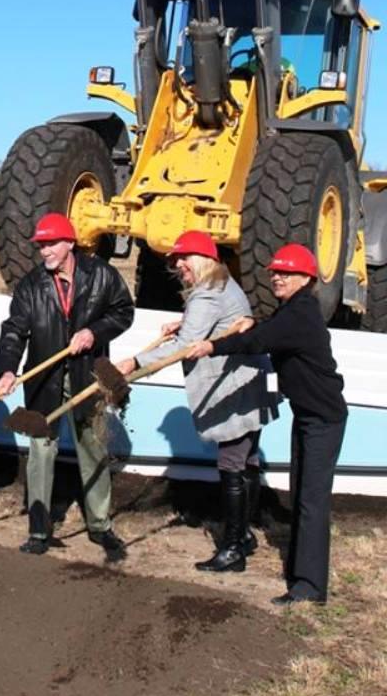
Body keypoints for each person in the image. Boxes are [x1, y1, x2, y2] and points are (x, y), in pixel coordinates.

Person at [186, 243, 347, 605]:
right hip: (309, 415)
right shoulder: (294, 308)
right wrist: (253, 321)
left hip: (323, 420)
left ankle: (308, 588)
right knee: (302, 495)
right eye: (274, 271)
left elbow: (259, 341)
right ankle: (301, 574)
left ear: (305, 278)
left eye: (285, 272)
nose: (276, 276)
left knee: (310, 501)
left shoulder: (301, 312)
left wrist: (213, 346)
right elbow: (270, 328)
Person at [118, 230, 276, 573]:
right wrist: (186, 323)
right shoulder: (223, 284)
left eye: (183, 259)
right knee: (246, 462)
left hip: (233, 390)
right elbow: (207, 326)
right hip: (248, 386)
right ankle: (244, 536)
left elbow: (186, 346)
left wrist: (134, 363)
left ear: (201, 258)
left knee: (232, 466)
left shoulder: (207, 293)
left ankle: (233, 549)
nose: (178, 266)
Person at [0, 213, 134, 561]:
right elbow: (14, 331)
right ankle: (39, 529)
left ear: (70, 242)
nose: (45, 251)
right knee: (41, 452)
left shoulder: (101, 274)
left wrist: (95, 332)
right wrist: (8, 369)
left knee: (93, 448)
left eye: (51, 243)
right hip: (45, 382)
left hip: (89, 380)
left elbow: (124, 311)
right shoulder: (30, 286)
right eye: (41, 245)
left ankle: (100, 525)